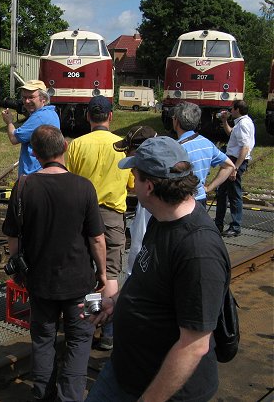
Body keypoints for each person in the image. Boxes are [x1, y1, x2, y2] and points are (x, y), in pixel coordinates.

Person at [85, 136, 229, 402]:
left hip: (162, 390)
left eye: (135, 177)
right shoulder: (161, 220)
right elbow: (147, 276)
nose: (133, 184)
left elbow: (194, 345)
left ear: (148, 186)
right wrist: (117, 301)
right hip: (125, 372)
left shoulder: (198, 251)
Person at [2, 124, 107, 402]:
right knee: (80, 340)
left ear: (35, 154)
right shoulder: (84, 187)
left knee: (43, 340)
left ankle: (42, 394)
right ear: (65, 148)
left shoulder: (24, 185)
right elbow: (97, 239)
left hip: (40, 282)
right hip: (80, 282)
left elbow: (13, 238)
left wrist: (18, 266)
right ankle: (71, 397)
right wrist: (104, 275)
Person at [65, 95, 134, 350]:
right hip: (113, 216)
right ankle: (109, 331)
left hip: (82, 216)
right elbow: (131, 183)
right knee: (111, 273)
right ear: (111, 116)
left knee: (89, 272)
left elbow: (69, 181)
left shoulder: (77, 145)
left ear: (87, 117)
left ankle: (87, 325)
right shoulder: (122, 145)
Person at [171, 101, 235, 207]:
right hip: (200, 199)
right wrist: (208, 188)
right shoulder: (207, 143)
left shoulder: (176, 148)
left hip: (181, 202)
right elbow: (229, 166)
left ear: (176, 121)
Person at [112, 125, 157, 276]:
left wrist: (131, 276)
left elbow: (139, 243)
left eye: (127, 151)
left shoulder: (149, 201)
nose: (125, 156)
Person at [1, 79, 60, 176]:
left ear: (43, 98)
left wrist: (9, 122)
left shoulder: (39, 118)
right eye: (24, 97)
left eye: (31, 97)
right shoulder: (52, 113)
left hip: (34, 175)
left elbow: (14, 138)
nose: (27, 101)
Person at [215, 100, 255, 237]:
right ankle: (218, 223)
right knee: (222, 192)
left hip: (235, 161)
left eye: (232, 109)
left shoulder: (243, 124)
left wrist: (235, 168)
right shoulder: (242, 122)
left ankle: (235, 226)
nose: (230, 111)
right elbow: (231, 133)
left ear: (237, 109)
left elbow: (245, 147)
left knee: (234, 194)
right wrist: (225, 121)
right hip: (232, 159)